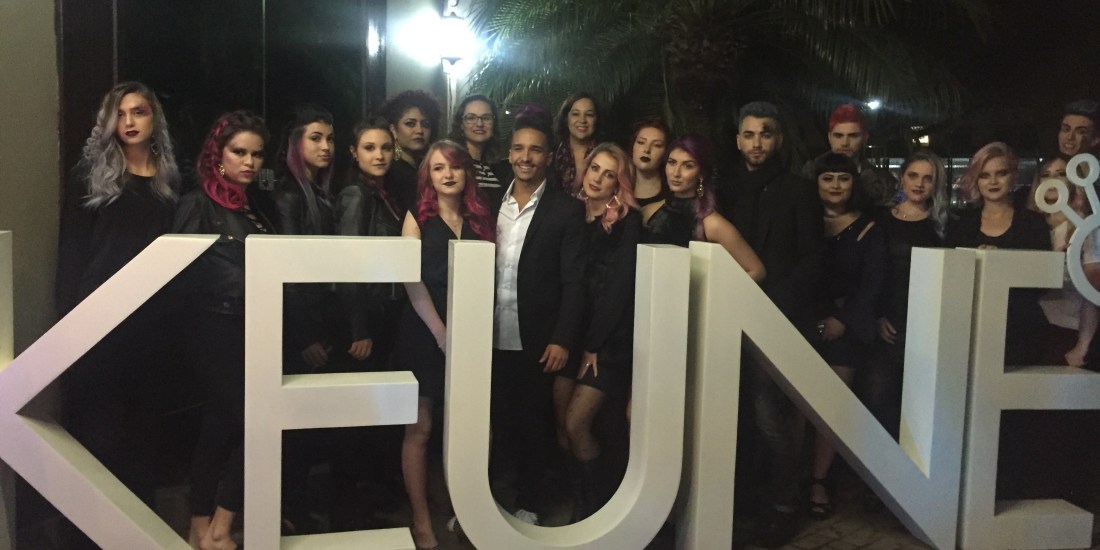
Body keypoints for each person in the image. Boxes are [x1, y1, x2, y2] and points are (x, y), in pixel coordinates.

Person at [55, 81, 181, 513]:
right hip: (98, 316)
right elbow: (71, 250)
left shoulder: (170, 178)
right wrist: (68, 321)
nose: (129, 122)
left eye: (138, 112)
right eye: (120, 114)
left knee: (144, 429)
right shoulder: (89, 175)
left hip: (152, 321)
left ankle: (137, 525)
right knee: (99, 431)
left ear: (154, 118)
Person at [716, 101, 823, 548]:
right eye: (748, 134)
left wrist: (773, 308)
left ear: (777, 139)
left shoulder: (799, 190)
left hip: (776, 319)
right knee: (731, 414)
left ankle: (783, 505)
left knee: (769, 417)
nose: (756, 142)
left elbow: (813, 259)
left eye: (765, 133)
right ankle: (741, 498)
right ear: (737, 139)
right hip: (724, 318)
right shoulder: (722, 187)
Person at [173, 110, 272, 550]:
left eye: (256, 154)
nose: (249, 162)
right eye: (239, 152)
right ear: (218, 155)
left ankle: (201, 526)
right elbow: (176, 274)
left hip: (250, 326)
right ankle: (222, 525)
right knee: (257, 421)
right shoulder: (198, 203)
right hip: (212, 325)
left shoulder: (254, 206)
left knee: (217, 426)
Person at [487, 104, 587, 526]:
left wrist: (562, 338)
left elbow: (575, 282)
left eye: (535, 150)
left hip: (538, 338)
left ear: (548, 156)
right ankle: (486, 504)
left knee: (534, 424)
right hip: (488, 334)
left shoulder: (566, 210)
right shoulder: (490, 202)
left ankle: (529, 502)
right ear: (509, 153)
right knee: (496, 423)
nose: (525, 157)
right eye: (518, 148)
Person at [394, 140, 494, 549]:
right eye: (438, 168)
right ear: (428, 176)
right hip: (424, 331)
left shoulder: (480, 218)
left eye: (454, 166)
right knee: (420, 428)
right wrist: (440, 332)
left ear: (466, 171)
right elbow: (410, 279)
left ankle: (466, 510)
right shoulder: (416, 217)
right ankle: (421, 522)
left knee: (471, 426)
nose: (447, 175)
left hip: (470, 333)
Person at [552, 143, 641, 523]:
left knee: (577, 424)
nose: (599, 179)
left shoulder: (627, 222)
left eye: (609, 174)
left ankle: (595, 511)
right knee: (562, 425)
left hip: (607, 343)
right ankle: (579, 501)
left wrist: (594, 344)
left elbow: (620, 290)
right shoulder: (571, 213)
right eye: (595, 169)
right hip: (571, 336)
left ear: (619, 183)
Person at [806, 153, 886, 520]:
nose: (835, 185)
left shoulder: (869, 228)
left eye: (843, 178)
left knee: (832, 405)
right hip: (804, 321)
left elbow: (873, 282)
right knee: (797, 403)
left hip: (847, 329)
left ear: (854, 183)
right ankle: (791, 479)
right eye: (828, 178)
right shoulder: (805, 220)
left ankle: (819, 481)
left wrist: (842, 319)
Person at [271, 103, 339, 531]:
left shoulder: (321, 192)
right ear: (296, 143)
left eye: (330, 139)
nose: (325, 146)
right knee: (291, 424)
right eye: (315, 138)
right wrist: (304, 336)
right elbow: (288, 270)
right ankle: (284, 513)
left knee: (308, 424)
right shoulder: (288, 195)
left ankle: (295, 509)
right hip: (297, 328)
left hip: (319, 320)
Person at [867, 150, 947, 438]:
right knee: (878, 399)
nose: (919, 184)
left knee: (919, 406)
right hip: (887, 325)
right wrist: (877, 315)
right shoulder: (879, 219)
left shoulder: (944, 225)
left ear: (936, 184)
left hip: (927, 327)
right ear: (902, 178)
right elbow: (871, 273)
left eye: (928, 178)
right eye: (913, 175)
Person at [641, 133, 766, 280]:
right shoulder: (649, 212)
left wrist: (713, 292)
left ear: (701, 173)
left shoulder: (711, 223)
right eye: (672, 162)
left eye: (688, 166)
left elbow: (757, 270)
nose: (676, 173)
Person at [801, 103, 897, 206]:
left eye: (853, 136)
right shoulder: (811, 171)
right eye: (838, 135)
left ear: (865, 137)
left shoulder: (883, 181)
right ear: (829, 137)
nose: (845, 143)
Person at [380, 90, 443, 215]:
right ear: (393, 130)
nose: (419, 130)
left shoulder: (430, 169)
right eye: (410, 124)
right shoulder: (389, 172)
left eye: (426, 124)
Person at [448, 93, 508, 205]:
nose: (480, 124)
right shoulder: (453, 164)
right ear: (461, 124)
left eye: (486, 118)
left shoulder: (496, 169)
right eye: (471, 118)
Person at [552, 92, 600, 191]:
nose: (582, 120)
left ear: (597, 119)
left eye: (589, 115)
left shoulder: (607, 155)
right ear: (566, 119)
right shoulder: (552, 155)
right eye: (575, 114)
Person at [629, 117, 671, 207]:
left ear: (666, 152)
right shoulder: (616, 186)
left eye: (657, 145)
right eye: (641, 142)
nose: (647, 150)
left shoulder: (673, 190)